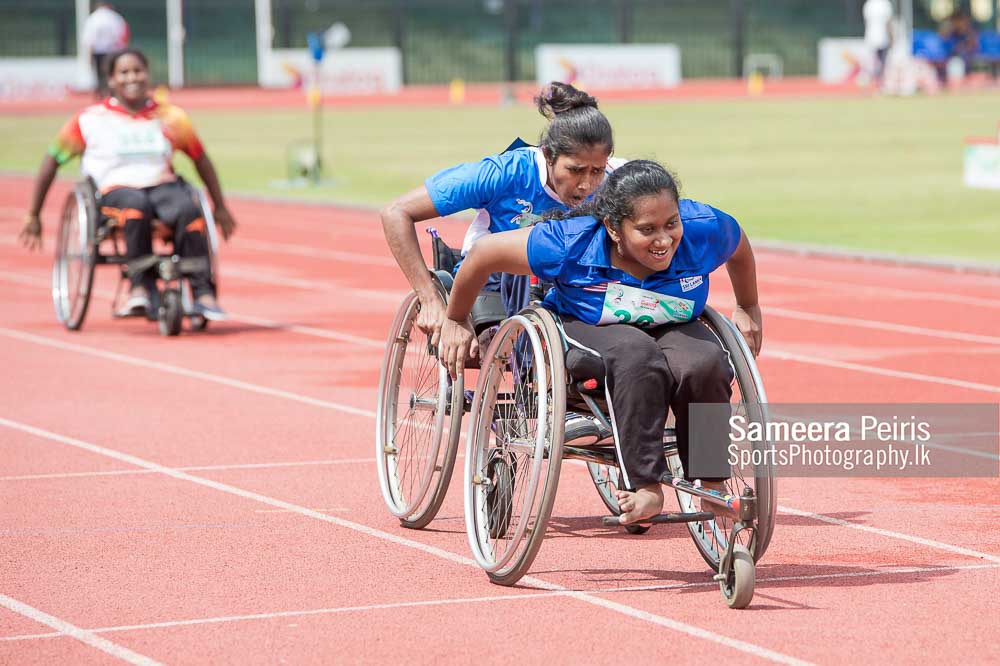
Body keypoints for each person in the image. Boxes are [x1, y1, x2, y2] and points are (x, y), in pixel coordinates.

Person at [438, 160, 762, 525]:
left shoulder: (703, 228)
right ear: (613, 228)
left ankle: (712, 481)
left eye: (671, 224)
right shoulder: (568, 242)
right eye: (647, 230)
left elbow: (738, 244)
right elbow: (483, 254)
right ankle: (645, 486)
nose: (663, 240)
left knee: (706, 362)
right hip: (588, 326)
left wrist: (748, 305)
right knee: (637, 356)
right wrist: (455, 319)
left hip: (673, 324)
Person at [380, 81, 621, 443]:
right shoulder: (503, 173)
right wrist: (432, 301)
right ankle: (542, 396)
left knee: (695, 359)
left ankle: (697, 462)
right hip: (492, 282)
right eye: (575, 170)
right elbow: (395, 212)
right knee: (532, 251)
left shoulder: (618, 184)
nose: (587, 185)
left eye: (597, 171)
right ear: (548, 155)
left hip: (573, 286)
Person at [20, 48, 236, 320]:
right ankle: (140, 287)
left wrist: (220, 207)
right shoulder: (90, 119)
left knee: (188, 209)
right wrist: (34, 214)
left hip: (162, 186)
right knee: (136, 206)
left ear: (147, 75)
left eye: (137, 71)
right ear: (111, 79)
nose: (132, 77)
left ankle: (203, 293)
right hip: (115, 191)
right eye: (124, 72)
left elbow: (201, 159)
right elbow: (52, 160)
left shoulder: (171, 117)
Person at [82, 2, 130, 97]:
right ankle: (114, 94)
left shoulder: (94, 18)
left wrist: (89, 56)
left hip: (99, 52)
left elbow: (90, 39)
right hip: (114, 51)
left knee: (100, 75)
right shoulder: (116, 17)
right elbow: (123, 36)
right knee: (113, 73)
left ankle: (102, 95)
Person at [863, 0, 893, 85]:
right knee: (882, 63)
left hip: (870, 37)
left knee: (872, 63)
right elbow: (888, 23)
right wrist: (891, 37)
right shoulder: (885, 4)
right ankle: (879, 83)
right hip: (883, 37)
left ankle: (872, 83)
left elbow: (866, 22)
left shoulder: (868, 4)